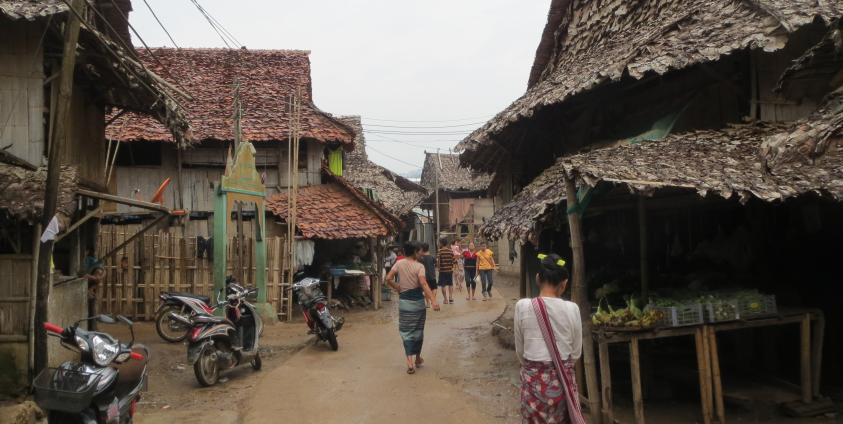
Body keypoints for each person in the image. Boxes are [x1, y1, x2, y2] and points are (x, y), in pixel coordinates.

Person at [514, 253, 585, 424]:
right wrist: (557, 369)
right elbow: (576, 353)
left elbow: (520, 352)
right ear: (564, 283)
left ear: (538, 278)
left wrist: (537, 371)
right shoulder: (572, 309)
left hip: (533, 386)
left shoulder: (522, 306)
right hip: (562, 385)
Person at [386, 242, 439, 374]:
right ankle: (417, 358)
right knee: (418, 330)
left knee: (406, 331)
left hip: (404, 302)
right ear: (415, 252)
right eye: (419, 251)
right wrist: (433, 301)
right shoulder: (419, 266)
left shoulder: (399, 263)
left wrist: (397, 287)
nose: (421, 254)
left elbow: (388, 278)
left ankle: (409, 362)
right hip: (417, 303)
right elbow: (423, 283)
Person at [419, 243, 438, 308]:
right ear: (428, 248)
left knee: (425, 290)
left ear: (422, 249)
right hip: (432, 275)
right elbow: (436, 264)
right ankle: (433, 300)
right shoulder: (432, 257)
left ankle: (428, 304)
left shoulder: (421, 258)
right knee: (434, 288)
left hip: (424, 276)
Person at [436, 238, 454, 304]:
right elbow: (453, 260)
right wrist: (452, 267)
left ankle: (445, 299)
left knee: (443, 285)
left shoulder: (440, 251)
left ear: (441, 243)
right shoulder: (450, 251)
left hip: (442, 271)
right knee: (450, 284)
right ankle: (451, 297)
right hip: (449, 270)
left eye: (439, 243)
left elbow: (438, 261)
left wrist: (438, 268)